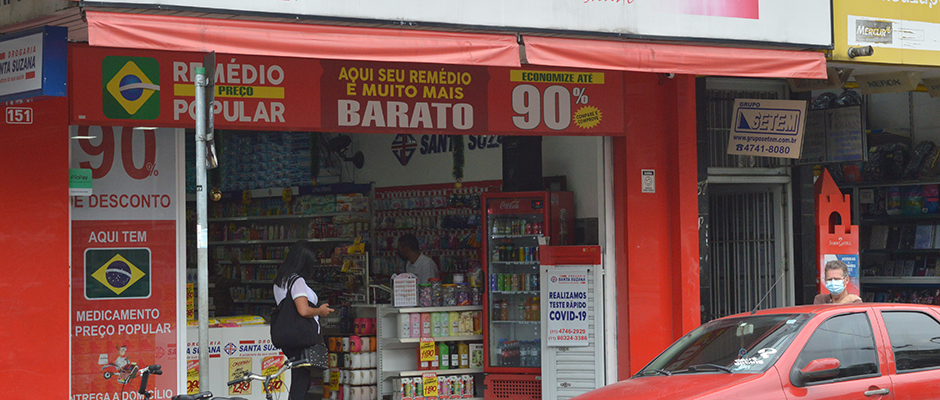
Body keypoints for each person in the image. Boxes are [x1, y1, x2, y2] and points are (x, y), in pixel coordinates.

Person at [273, 241, 335, 400]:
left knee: (298, 379)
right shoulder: (297, 281)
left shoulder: (281, 281)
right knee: (301, 382)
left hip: (288, 337)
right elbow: (303, 310)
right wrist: (320, 311)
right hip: (300, 337)